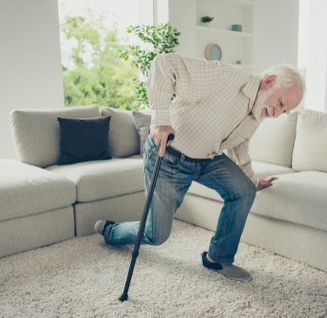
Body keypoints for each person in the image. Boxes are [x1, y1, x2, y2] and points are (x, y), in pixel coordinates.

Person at [95, 53, 305, 282]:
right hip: (168, 157)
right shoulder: (223, 77)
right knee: (155, 235)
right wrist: (161, 120)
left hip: (206, 160)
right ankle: (110, 231)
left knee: (244, 191)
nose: (278, 114)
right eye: (281, 103)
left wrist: (251, 180)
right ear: (268, 82)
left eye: (284, 111)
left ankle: (217, 258)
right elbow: (163, 64)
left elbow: (240, 146)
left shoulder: (256, 113)